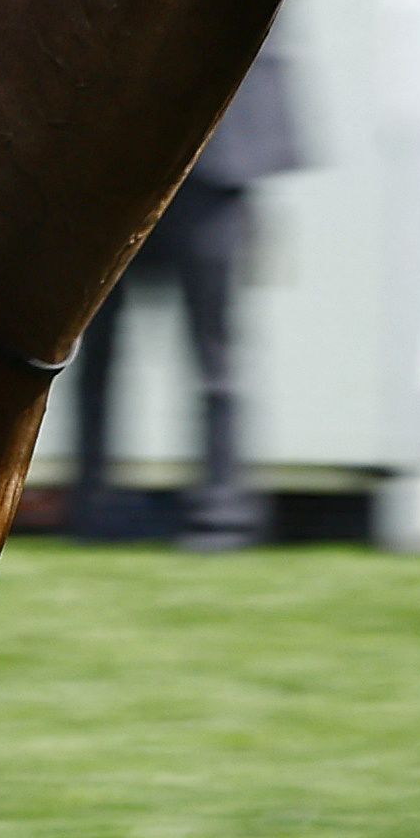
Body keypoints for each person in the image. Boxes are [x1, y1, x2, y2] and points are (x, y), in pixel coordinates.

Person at [64, 37, 301, 548]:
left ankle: (221, 510)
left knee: (213, 354)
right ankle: (98, 504)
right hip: (119, 161)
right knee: (98, 347)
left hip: (213, 162)